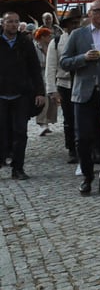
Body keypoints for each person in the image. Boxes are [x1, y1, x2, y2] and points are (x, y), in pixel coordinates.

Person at [60, 0, 100, 196]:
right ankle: (87, 177)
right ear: (89, 14)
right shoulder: (77, 35)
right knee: (83, 139)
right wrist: (83, 58)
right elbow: (64, 62)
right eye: (97, 11)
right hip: (84, 94)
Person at [0, 11, 46, 179]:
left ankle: (18, 168)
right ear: (3, 24)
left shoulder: (25, 42)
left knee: (20, 132)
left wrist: (40, 92)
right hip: (1, 95)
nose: (13, 24)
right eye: (10, 21)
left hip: (21, 95)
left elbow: (35, 69)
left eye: (16, 21)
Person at [46, 10, 83, 164]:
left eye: (78, 22)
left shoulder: (85, 39)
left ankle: (89, 148)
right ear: (66, 25)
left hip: (82, 83)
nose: (76, 26)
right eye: (73, 23)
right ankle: (72, 149)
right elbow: (50, 67)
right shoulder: (56, 42)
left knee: (86, 118)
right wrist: (52, 90)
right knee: (69, 119)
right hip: (65, 84)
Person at [33, 27, 59, 135]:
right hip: (41, 76)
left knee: (52, 100)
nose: (50, 37)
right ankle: (42, 123)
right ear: (42, 37)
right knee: (44, 99)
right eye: (48, 36)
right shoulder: (35, 47)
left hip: (51, 75)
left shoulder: (51, 46)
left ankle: (47, 122)